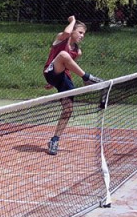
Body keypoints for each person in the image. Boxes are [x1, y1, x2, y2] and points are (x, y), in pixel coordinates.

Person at [43, 16, 102, 155]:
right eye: (80, 32)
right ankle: (87, 78)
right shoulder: (61, 38)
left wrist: (55, 83)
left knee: (68, 110)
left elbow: (68, 66)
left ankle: (54, 140)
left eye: (84, 34)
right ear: (73, 30)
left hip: (62, 78)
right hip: (51, 72)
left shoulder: (77, 51)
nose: (82, 36)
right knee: (63, 54)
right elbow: (66, 33)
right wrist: (73, 21)